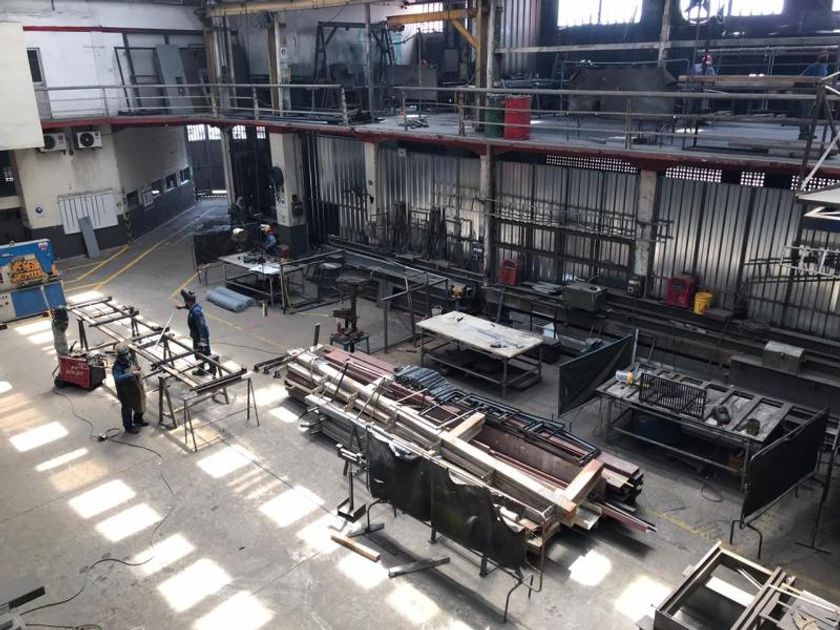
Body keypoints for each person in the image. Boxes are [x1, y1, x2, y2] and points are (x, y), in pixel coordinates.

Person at [112, 343, 148, 434]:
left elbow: (133, 366)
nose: (128, 355)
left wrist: (136, 369)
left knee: (140, 403)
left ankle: (138, 420)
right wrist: (131, 374)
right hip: (124, 391)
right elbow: (118, 378)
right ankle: (128, 427)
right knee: (127, 409)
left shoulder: (129, 359)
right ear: (119, 356)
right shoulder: (117, 367)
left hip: (134, 387)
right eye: (125, 355)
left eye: (128, 353)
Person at [178, 289, 214, 376]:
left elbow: (201, 327)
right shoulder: (194, 307)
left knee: (201, 353)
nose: (185, 303)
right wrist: (182, 307)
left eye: (186, 301)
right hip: (197, 336)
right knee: (203, 353)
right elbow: (189, 307)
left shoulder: (196, 313)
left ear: (188, 302)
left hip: (200, 337)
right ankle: (209, 369)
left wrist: (202, 341)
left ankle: (207, 370)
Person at [798, 52, 831, 140]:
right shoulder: (814, 66)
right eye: (823, 54)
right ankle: (803, 134)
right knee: (806, 113)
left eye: (826, 54)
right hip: (808, 91)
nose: (825, 56)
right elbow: (801, 77)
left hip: (816, 91)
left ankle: (808, 133)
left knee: (810, 113)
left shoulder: (825, 66)